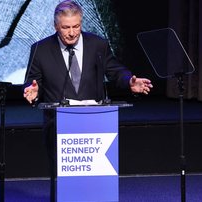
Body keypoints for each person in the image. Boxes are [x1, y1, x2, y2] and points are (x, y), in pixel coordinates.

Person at [23, 0, 153, 201]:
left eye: (76, 26)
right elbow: (32, 83)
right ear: (56, 26)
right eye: (66, 27)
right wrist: (33, 91)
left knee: (93, 184)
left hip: (94, 125)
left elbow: (114, 70)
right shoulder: (40, 49)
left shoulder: (97, 45)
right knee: (64, 183)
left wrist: (129, 82)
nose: (72, 33)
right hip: (58, 125)